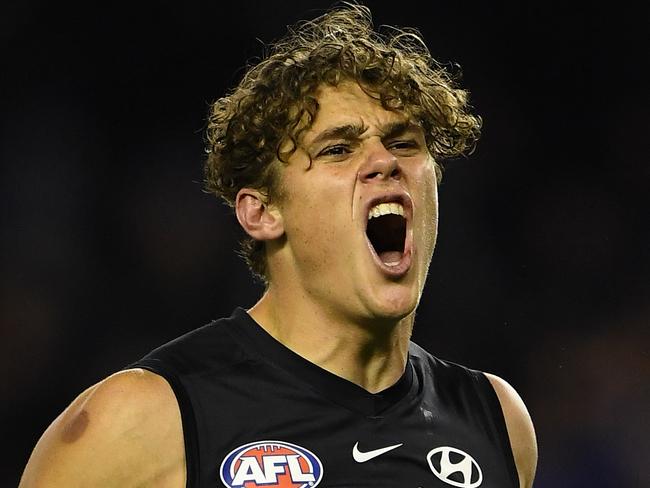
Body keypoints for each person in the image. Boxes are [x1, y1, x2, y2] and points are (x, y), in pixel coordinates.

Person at [20, 3, 537, 487]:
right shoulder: (146, 418)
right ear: (262, 213)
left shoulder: (495, 420)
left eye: (404, 143)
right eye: (338, 149)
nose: (385, 162)